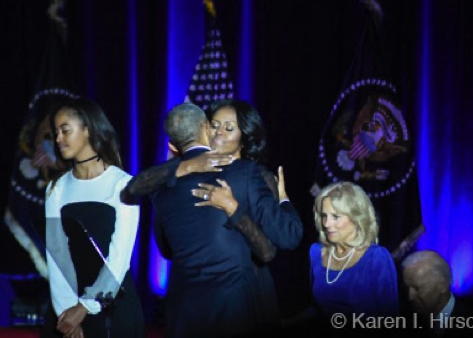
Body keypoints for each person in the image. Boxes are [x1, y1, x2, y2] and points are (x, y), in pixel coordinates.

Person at [121, 99, 296, 333]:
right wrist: (186, 167)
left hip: (245, 294)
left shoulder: (254, 175)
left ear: (244, 137)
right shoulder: (172, 179)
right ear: (205, 127)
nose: (219, 132)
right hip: (218, 304)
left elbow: (279, 242)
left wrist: (280, 199)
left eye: (229, 127)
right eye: (215, 124)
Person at [41, 97, 144, 338]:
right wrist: (66, 311)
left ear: (88, 129)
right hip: (64, 307)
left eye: (65, 130)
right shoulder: (56, 188)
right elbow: (56, 254)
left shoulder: (123, 184)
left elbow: (120, 259)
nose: (58, 139)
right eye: (56, 132)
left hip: (112, 305)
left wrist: (85, 307)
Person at [283, 181, 398, 334]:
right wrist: (287, 323)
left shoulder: (377, 258)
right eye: (324, 216)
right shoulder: (317, 253)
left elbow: (390, 320)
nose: (327, 224)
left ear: (357, 218)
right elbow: (319, 309)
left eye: (336, 217)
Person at [401, 250, 473, 337]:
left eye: (418, 288)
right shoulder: (406, 323)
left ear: (443, 285)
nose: (410, 297)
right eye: (407, 288)